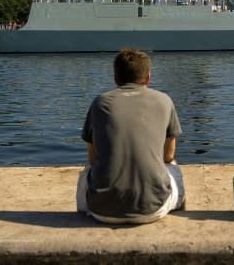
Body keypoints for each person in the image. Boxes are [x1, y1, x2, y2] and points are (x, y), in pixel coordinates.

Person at [76, 48, 185, 224]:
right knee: (173, 165)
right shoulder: (164, 100)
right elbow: (168, 155)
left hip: (100, 211)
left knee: (87, 170)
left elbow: (93, 158)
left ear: (115, 78)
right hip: (154, 209)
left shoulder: (99, 103)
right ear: (148, 77)